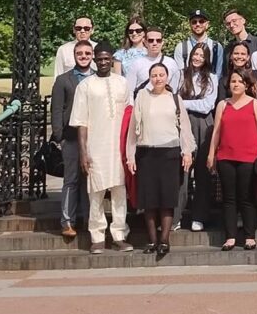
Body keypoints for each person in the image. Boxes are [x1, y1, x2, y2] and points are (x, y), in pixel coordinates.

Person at [125, 63, 195, 255]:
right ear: (149, 78)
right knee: (149, 200)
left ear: (167, 77)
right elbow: (133, 129)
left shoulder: (175, 98)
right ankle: (152, 240)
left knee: (166, 198)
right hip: (146, 153)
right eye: (154, 75)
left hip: (170, 153)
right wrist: (130, 155)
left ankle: (164, 240)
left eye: (161, 74)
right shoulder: (142, 97)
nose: (158, 78)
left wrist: (187, 151)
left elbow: (185, 127)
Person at [69, 42, 132, 254]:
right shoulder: (85, 86)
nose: (104, 62)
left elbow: (130, 116)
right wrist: (83, 153)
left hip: (119, 147)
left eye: (107, 59)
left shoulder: (123, 83)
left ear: (112, 59)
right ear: (95, 60)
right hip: (95, 146)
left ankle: (120, 234)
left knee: (119, 191)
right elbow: (81, 122)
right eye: (100, 59)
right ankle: (96, 236)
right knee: (95, 192)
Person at [207, 68, 257, 251]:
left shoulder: (255, 104)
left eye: (239, 81)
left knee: (247, 197)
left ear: (246, 85)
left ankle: (250, 236)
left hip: (249, 157)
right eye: (233, 81)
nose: (235, 84)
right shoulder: (222, 105)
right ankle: (230, 236)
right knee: (229, 199)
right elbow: (217, 131)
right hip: (226, 156)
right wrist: (211, 154)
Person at [51, 39, 94, 237]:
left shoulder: (97, 77)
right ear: (75, 56)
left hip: (94, 136)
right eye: (80, 54)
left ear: (92, 55)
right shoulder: (63, 80)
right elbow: (57, 110)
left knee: (90, 180)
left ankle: (87, 219)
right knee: (71, 179)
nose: (84, 57)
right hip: (71, 137)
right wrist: (59, 136)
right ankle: (67, 221)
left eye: (87, 53)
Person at [175, 42, 218, 232]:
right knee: (181, 170)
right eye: (195, 54)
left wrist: (183, 103)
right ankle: (175, 216)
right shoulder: (180, 74)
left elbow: (207, 106)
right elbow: (173, 99)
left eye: (202, 55)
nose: (198, 58)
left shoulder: (212, 78)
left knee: (202, 171)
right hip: (183, 123)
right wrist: (186, 104)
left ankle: (199, 216)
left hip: (203, 124)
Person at [127, 26, 181, 96]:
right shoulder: (137, 63)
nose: (155, 43)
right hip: (144, 104)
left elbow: (175, 90)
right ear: (145, 42)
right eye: (151, 40)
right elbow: (129, 90)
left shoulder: (171, 63)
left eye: (158, 40)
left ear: (162, 42)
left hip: (165, 103)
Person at [174, 10, 225, 77]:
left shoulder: (216, 47)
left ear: (207, 24)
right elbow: (180, 74)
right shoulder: (181, 47)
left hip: (212, 86)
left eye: (201, 21)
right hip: (187, 86)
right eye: (194, 22)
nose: (197, 24)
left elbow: (218, 73)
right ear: (190, 24)